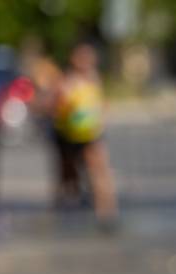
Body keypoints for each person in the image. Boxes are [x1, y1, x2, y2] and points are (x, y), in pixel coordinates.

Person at [51, 42, 118, 228]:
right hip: (69, 135)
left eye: (89, 57)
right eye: (82, 57)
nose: (86, 61)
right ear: (74, 59)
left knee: (100, 172)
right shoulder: (67, 82)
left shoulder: (95, 79)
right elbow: (57, 106)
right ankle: (67, 207)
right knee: (69, 175)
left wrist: (100, 116)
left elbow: (102, 103)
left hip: (91, 134)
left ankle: (106, 212)